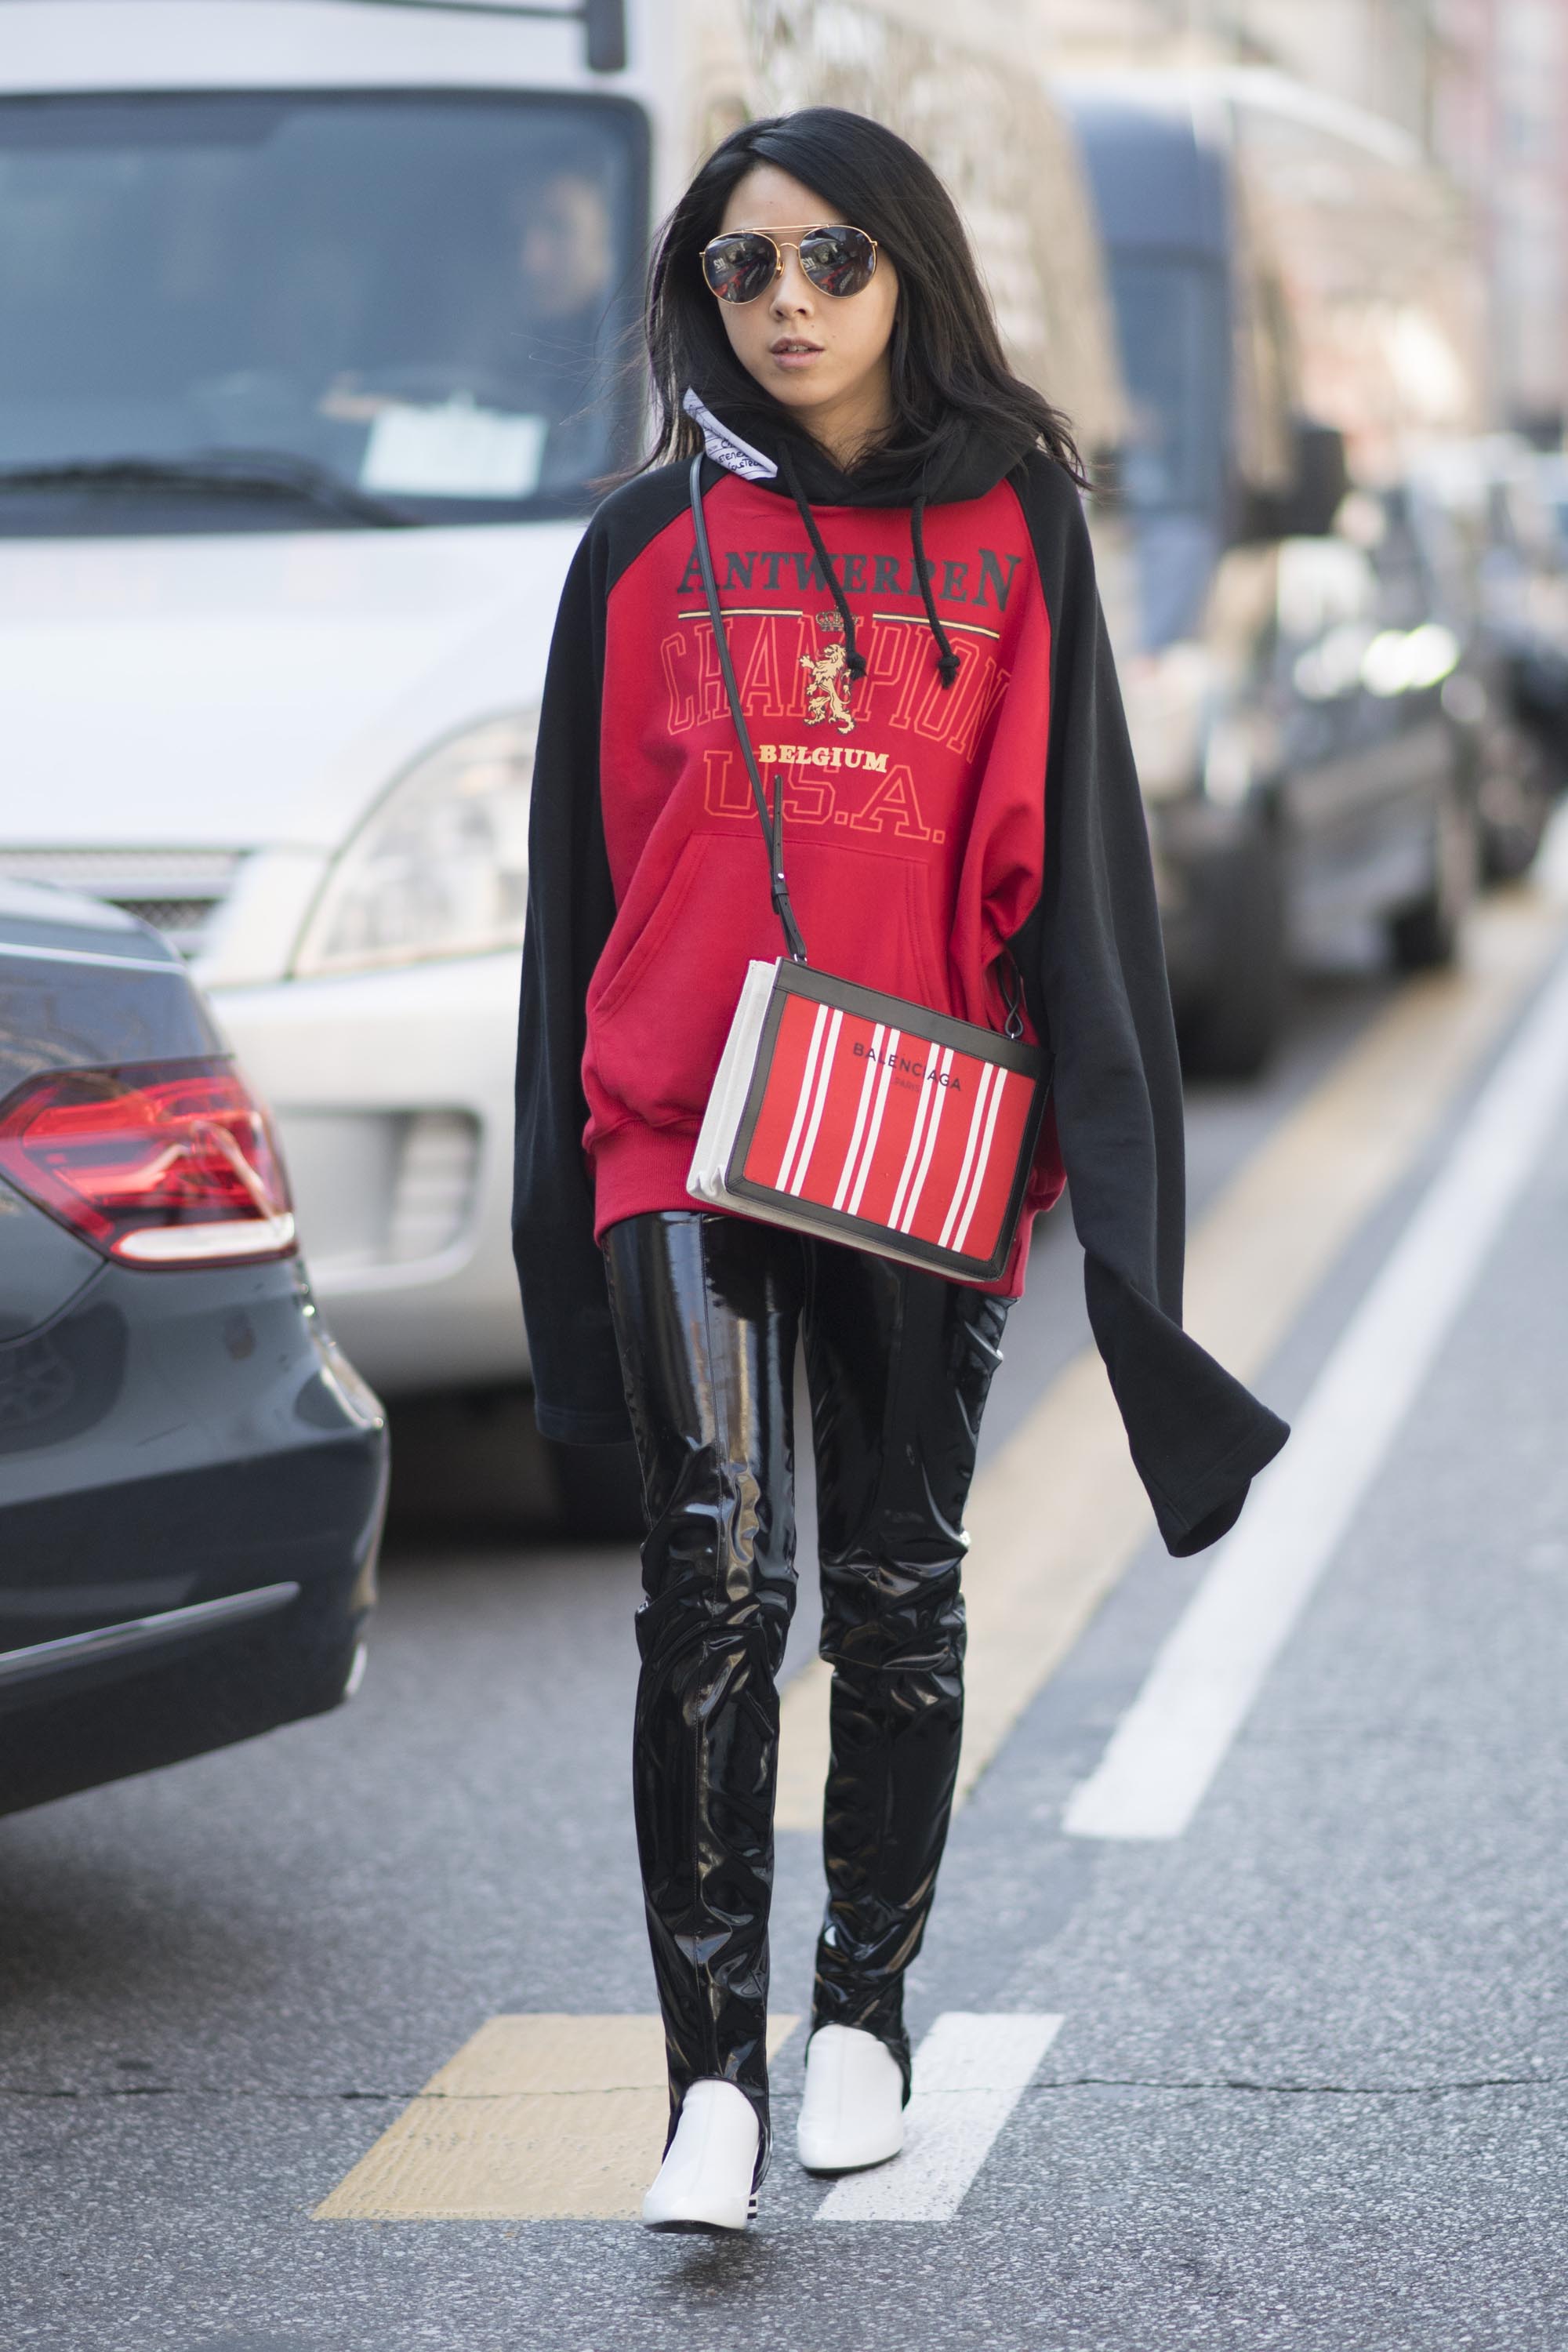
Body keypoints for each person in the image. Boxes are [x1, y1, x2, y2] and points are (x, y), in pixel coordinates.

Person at [513, 107, 1288, 2234]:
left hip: (917, 1130)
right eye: (747, 267)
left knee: (899, 1589)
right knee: (715, 1587)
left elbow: (1062, 864)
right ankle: (709, 2084)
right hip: (681, 1126)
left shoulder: (1021, 524)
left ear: (912, 277)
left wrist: (1082, 1146)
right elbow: (578, 894)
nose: (788, 303)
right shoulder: (641, 546)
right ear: (703, 287)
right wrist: (570, 1163)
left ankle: (863, 2012)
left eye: (834, 261)